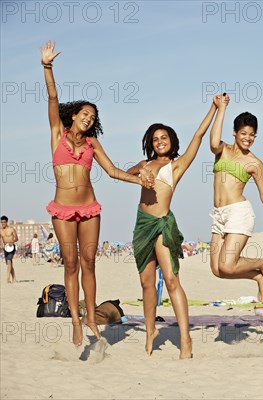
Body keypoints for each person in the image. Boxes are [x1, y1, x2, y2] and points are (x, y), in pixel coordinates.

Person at [41, 41, 154, 346]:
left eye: (93, 117)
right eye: (85, 114)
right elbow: (53, 97)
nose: (89, 119)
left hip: (89, 207)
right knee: (71, 264)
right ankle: (76, 322)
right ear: (74, 115)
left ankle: (91, 317)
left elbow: (114, 171)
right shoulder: (57, 134)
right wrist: (48, 66)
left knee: (89, 263)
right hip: (63, 209)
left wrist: (138, 180)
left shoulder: (92, 144)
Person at [127, 98, 218, 359]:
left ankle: (185, 339)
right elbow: (126, 172)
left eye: (163, 137)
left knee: (171, 280)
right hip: (141, 224)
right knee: (146, 283)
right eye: (155, 139)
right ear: (150, 143)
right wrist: (138, 170)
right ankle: (150, 332)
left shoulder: (175, 165)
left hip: (162, 224)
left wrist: (214, 108)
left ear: (171, 140)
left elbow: (199, 136)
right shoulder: (145, 165)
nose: (159, 142)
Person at [209, 95, 263, 302]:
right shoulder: (222, 150)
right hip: (218, 214)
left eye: (252, 135)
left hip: (238, 213)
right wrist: (221, 108)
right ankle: (259, 278)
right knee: (218, 270)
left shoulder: (254, 163)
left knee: (226, 264)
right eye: (243, 133)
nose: (247, 138)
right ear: (235, 132)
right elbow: (213, 141)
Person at [0, 216, 18, 283]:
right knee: (9, 264)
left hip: (11, 247)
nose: (3, 224)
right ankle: (14, 278)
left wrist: (12, 242)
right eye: (1, 222)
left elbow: (16, 238)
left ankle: (7, 278)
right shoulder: (0, 230)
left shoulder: (11, 229)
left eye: (4, 222)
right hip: (5, 248)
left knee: (9, 261)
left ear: (7, 222)